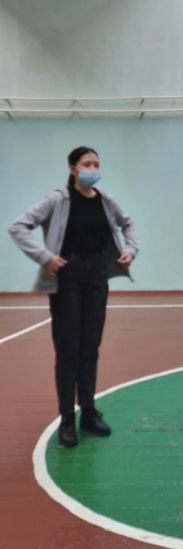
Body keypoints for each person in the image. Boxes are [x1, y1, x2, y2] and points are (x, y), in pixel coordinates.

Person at [9, 146, 139, 448]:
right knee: (68, 350)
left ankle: (89, 412)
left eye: (96, 163)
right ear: (73, 168)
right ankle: (67, 419)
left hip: (97, 276)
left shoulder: (105, 200)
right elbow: (18, 227)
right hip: (68, 276)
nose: (93, 168)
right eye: (86, 164)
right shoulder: (58, 199)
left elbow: (128, 223)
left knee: (90, 346)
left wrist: (131, 249)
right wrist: (44, 257)